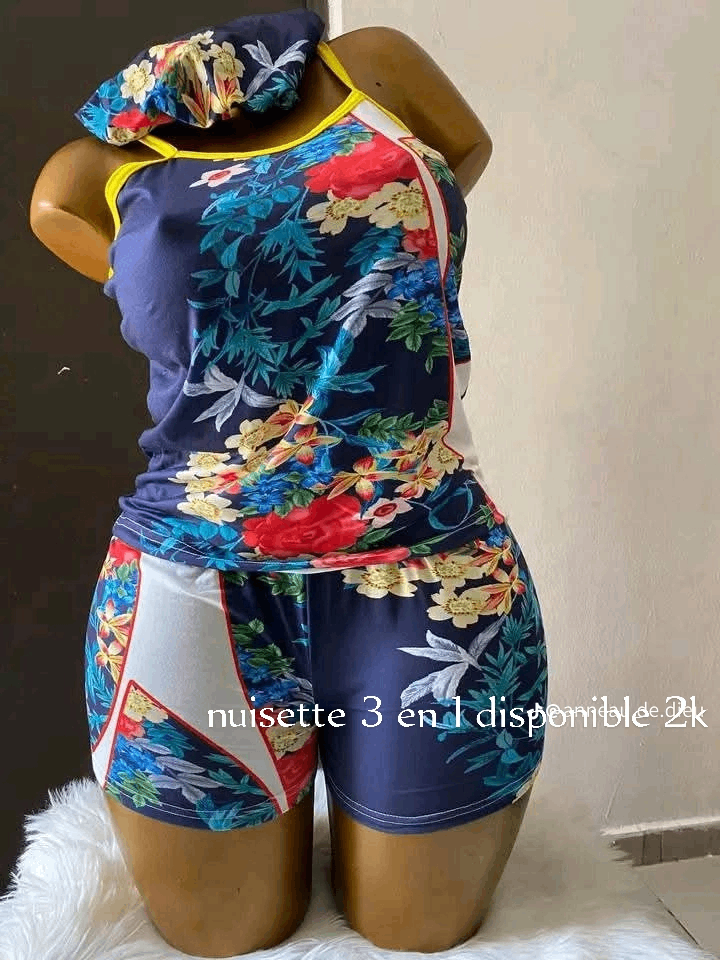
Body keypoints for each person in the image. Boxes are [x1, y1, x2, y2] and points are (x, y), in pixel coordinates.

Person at [29, 9, 548, 957]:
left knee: (422, 932)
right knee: (223, 937)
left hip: (436, 579)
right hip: (192, 595)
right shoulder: (83, 175)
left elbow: (460, 158)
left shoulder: (377, 71)